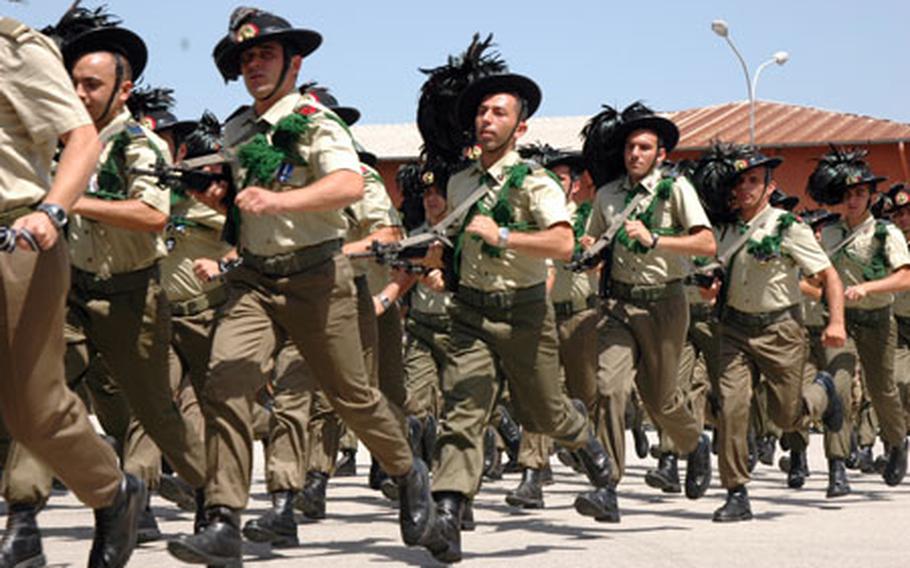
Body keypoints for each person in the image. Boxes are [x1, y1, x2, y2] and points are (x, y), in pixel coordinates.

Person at [166, 8, 432, 566]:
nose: (254, 66)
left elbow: (344, 183)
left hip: (318, 276)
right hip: (255, 280)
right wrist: (221, 203)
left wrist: (280, 200)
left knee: (352, 397)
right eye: (245, 58)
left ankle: (409, 471)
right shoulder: (237, 130)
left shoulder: (316, 121)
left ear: (294, 62)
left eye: (264, 54)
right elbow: (245, 210)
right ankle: (222, 518)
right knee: (226, 380)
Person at [416, 55, 613, 561]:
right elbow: (455, 245)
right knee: (463, 410)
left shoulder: (535, 182)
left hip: (524, 314)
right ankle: (448, 514)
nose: (487, 120)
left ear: (520, 126)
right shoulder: (460, 183)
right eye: (482, 111)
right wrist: (439, 265)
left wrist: (502, 234)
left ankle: (589, 446)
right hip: (471, 314)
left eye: (499, 113)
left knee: (544, 412)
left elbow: (564, 245)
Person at [0, 15, 144, 568]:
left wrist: (52, 210)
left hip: (17, 238)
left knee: (34, 411)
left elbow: (80, 138)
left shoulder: (16, 50)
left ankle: (113, 491)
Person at [574, 102, 716, 523]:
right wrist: (588, 250)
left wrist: (656, 240)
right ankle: (606, 487)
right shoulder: (607, 195)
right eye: (630, 147)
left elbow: (706, 244)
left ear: (660, 154)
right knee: (609, 387)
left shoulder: (676, 190)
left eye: (644, 147)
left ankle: (695, 444)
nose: (635, 154)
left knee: (660, 400)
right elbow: (594, 242)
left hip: (665, 305)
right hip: (618, 304)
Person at [692, 142, 846, 521]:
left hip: (780, 330)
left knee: (787, 417)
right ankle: (736, 492)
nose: (745, 188)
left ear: (767, 186)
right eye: (739, 181)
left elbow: (828, 276)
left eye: (753, 181)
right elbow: (708, 284)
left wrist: (836, 322)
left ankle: (823, 392)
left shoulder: (787, 226)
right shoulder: (722, 230)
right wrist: (708, 288)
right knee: (732, 407)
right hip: (734, 331)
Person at [808, 147, 910, 494]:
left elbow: (905, 277)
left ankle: (896, 443)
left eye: (861, 194)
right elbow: (818, 277)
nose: (853, 201)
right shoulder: (830, 234)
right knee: (837, 386)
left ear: (870, 196)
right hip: (840, 320)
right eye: (848, 194)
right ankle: (837, 466)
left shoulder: (885, 233)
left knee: (883, 390)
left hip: (879, 319)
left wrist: (868, 288)